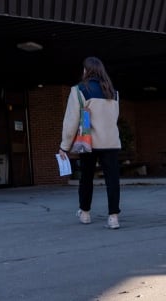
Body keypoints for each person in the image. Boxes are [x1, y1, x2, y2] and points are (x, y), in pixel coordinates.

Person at [59, 56, 122, 229]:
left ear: (86, 71)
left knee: (86, 178)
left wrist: (64, 146)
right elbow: (114, 118)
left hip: (89, 142)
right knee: (112, 180)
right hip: (111, 142)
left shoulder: (79, 90)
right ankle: (113, 217)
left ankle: (85, 213)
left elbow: (71, 120)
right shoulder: (113, 92)